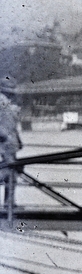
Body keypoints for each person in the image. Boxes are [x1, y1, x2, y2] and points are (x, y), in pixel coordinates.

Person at [0, 80, 21, 215]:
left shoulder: (7, 103)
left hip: (9, 143)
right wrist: (4, 136)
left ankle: (9, 201)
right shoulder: (3, 103)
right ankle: (9, 202)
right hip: (6, 143)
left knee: (11, 172)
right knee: (10, 172)